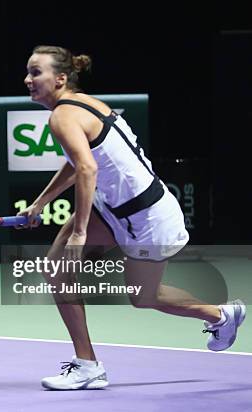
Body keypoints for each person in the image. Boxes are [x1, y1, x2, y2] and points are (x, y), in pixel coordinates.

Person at [17, 45, 246, 390]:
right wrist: (39, 203)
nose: (28, 79)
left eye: (36, 73)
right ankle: (88, 366)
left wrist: (79, 232)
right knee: (57, 272)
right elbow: (76, 161)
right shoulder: (85, 105)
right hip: (117, 209)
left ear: (61, 79)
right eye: (28, 72)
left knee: (144, 297)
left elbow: (86, 168)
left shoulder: (62, 116)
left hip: (148, 218)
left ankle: (219, 315)